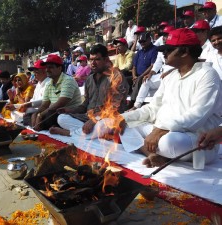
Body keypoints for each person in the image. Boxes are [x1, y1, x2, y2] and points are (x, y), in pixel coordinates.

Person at [94, 28, 222, 168]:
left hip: (191, 137)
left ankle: (151, 149)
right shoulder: (171, 76)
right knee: (116, 125)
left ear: (185, 52)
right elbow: (152, 108)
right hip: (159, 130)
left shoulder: (207, 74)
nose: (163, 54)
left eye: (168, 50)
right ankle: (153, 154)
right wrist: (123, 118)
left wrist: (159, 130)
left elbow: (196, 116)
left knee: (171, 142)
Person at [49, 44, 129, 137]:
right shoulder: (89, 79)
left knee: (102, 125)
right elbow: (85, 104)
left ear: (106, 60)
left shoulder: (116, 77)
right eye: (91, 60)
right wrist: (70, 110)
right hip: (88, 117)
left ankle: (70, 133)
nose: (93, 63)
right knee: (61, 118)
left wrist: (95, 119)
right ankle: (86, 133)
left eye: (97, 59)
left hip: (108, 117)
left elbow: (115, 107)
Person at [31, 54, 82, 131]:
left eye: (51, 67)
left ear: (60, 68)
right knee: (30, 115)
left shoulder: (68, 80)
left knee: (50, 116)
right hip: (54, 112)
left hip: (69, 114)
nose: (47, 70)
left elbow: (60, 104)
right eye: (46, 67)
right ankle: (42, 126)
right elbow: (44, 105)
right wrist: (36, 114)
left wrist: (40, 115)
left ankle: (46, 126)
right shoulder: (49, 84)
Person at [130, 26, 175, 110]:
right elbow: (157, 64)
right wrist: (150, 73)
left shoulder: (177, 48)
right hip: (163, 75)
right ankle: (136, 106)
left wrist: (169, 72)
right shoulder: (161, 48)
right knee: (146, 80)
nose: (164, 38)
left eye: (166, 35)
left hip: (174, 75)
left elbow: (182, 65)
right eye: (163, 35)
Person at [11, 60, 51, 125]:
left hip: (42, 111)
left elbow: (45, 101)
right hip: (32, 110)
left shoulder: (49, 83)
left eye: (36, 72)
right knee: (14, 111)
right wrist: (15, 106)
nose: (34, 75)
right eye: (34, 72)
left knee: (26, 113)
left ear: (44, 72)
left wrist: (26, 105)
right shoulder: (38, 84)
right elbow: (32, 100)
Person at [130, 32, 158, 108]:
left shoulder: (154, 50)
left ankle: (132, 102)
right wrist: (134, 76)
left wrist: (140, 76)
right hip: (137, 76)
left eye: (144, 41)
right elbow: (134, 67)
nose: (142, 43)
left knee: (140, 79)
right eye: (140, 42)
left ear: (149, 40)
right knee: (124, 79)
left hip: (149, 75)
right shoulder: (139, 52)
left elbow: (152, 66)